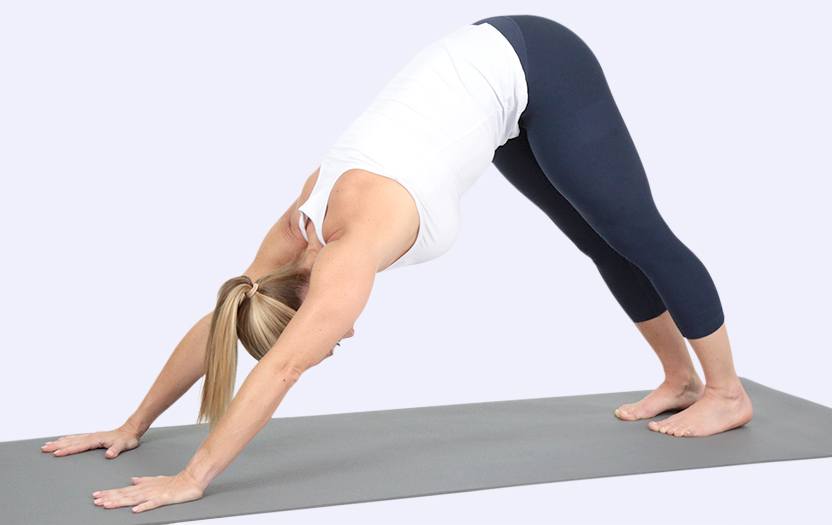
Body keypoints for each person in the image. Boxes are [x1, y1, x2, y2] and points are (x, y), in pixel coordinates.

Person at [40, 14, 752, 513]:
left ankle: (726, 393)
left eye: (321, 334)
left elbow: (281, 365)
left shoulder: (343, 259)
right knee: (598, 236)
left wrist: (192, 476)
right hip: (487, 86)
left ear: (308, 303)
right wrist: (132, 422)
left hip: (538, 61)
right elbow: (224, 319)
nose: (335, 341)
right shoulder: (288, 242)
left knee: (636, 228)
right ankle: (676, 376)